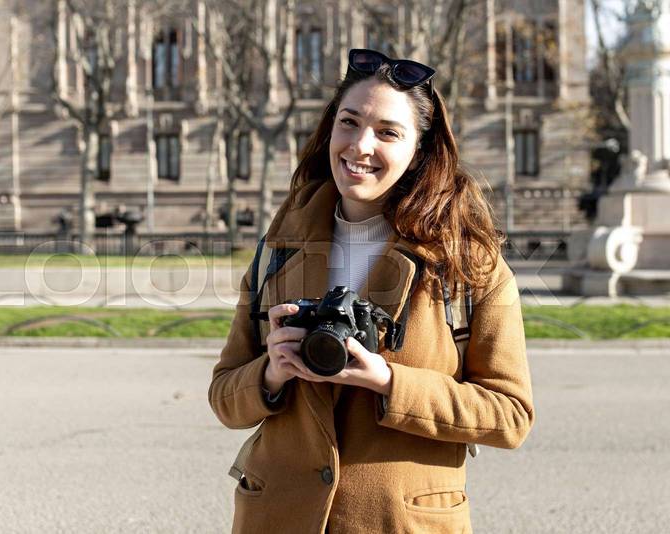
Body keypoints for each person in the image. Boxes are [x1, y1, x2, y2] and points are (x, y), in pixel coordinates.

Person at [209, 49, 535, 534]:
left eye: (387, 132)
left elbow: (510, 416)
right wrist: (271, 374)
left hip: (401, 523)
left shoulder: (468, 265)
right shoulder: (278, 249)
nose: (360, 145)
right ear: (329, 131)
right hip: (276, 516)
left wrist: (389, 382)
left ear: (419, 150)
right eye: (349, 122)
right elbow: (223, 396)